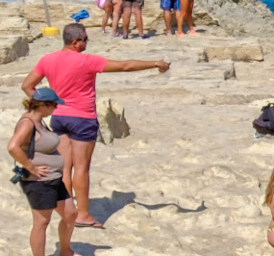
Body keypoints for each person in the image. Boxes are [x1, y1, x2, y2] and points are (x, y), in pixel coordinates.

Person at [21, 22, 169, 228]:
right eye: (85, 40)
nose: (87, 43)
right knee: (81, 168)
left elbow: (27, 86)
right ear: (75, 42)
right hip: (82, 118)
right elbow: (125, 66)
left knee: (65, 167)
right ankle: (83, 215)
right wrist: (155, 63)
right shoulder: (87, 61)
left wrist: (45, 106)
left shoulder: (48, 59)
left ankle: (67, 210)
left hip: (59, 117)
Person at [9, 84, 88, 256]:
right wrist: (31, 167)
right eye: (53, 105)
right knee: (41, 223)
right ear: (43, 105)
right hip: (38, 182)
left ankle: (65, 250)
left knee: (70, 214)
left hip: (53, 178)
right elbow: (13, 147)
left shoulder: (40, 120)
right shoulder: (28, 122)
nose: (55, 109)